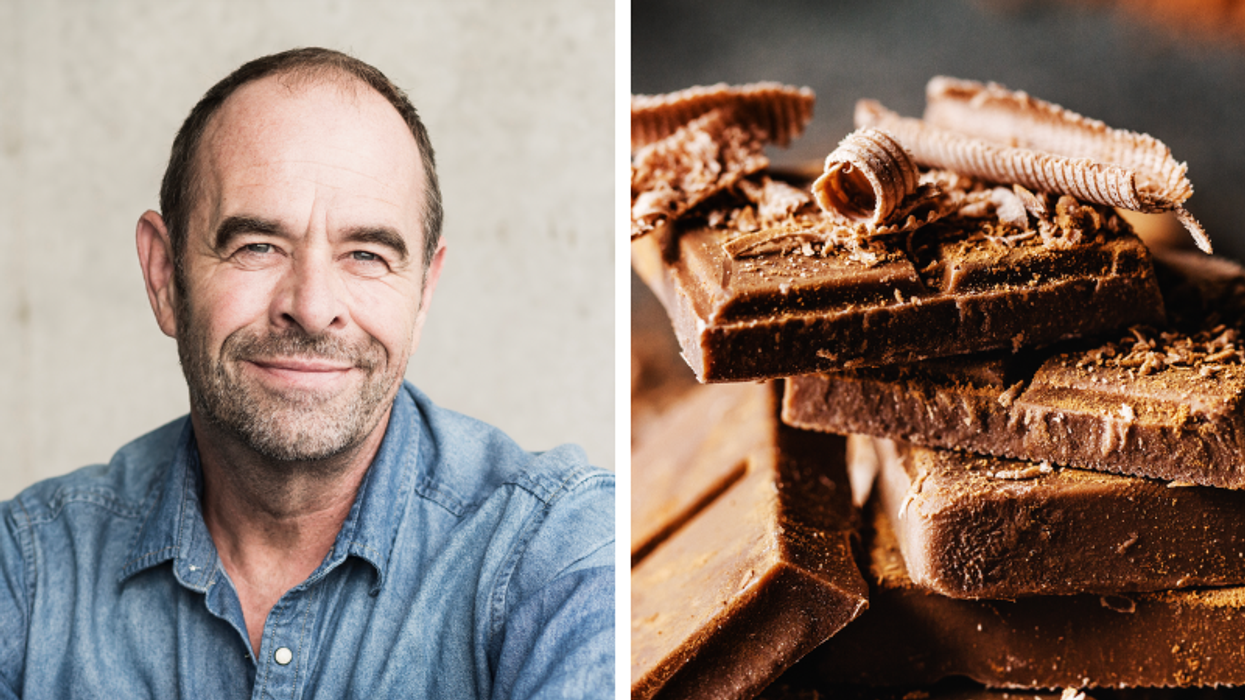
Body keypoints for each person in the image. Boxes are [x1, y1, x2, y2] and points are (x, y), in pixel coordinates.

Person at [0, 48, 614, 699]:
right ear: (164, 278)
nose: (313, 307)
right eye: (257, 246)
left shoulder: (559, 553)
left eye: (367, 254)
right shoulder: (28, 575)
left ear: (422, 293)